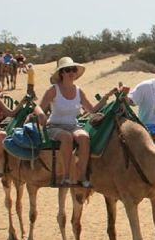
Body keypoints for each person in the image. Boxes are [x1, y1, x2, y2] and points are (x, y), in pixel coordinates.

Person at [37, 56, 112, 188]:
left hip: (73, 125)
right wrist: (41, 114)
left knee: (83, 137)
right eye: (67, 70)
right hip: (55, 126)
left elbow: (90, 109)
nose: (71, 72)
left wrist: (103, 101)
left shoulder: (78, 91)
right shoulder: (54, 89)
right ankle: (66, 176)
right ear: (62, 73)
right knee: (66, 137)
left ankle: (82, 176)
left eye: (73, 69)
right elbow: (38, 106)